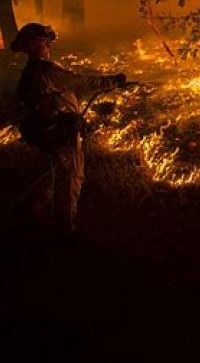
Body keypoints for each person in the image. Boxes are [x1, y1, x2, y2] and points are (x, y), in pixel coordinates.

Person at [10, 22, 126, 240]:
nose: (48, 46)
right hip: (60, 132)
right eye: (45, 42)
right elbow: (81, 82)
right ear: (36, 44)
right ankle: (65, 227)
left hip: (48, 132)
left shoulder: (31, 72)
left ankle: (29, 208)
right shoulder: (45, 69)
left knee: (51, 172)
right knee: (71, 176)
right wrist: (113, 81)